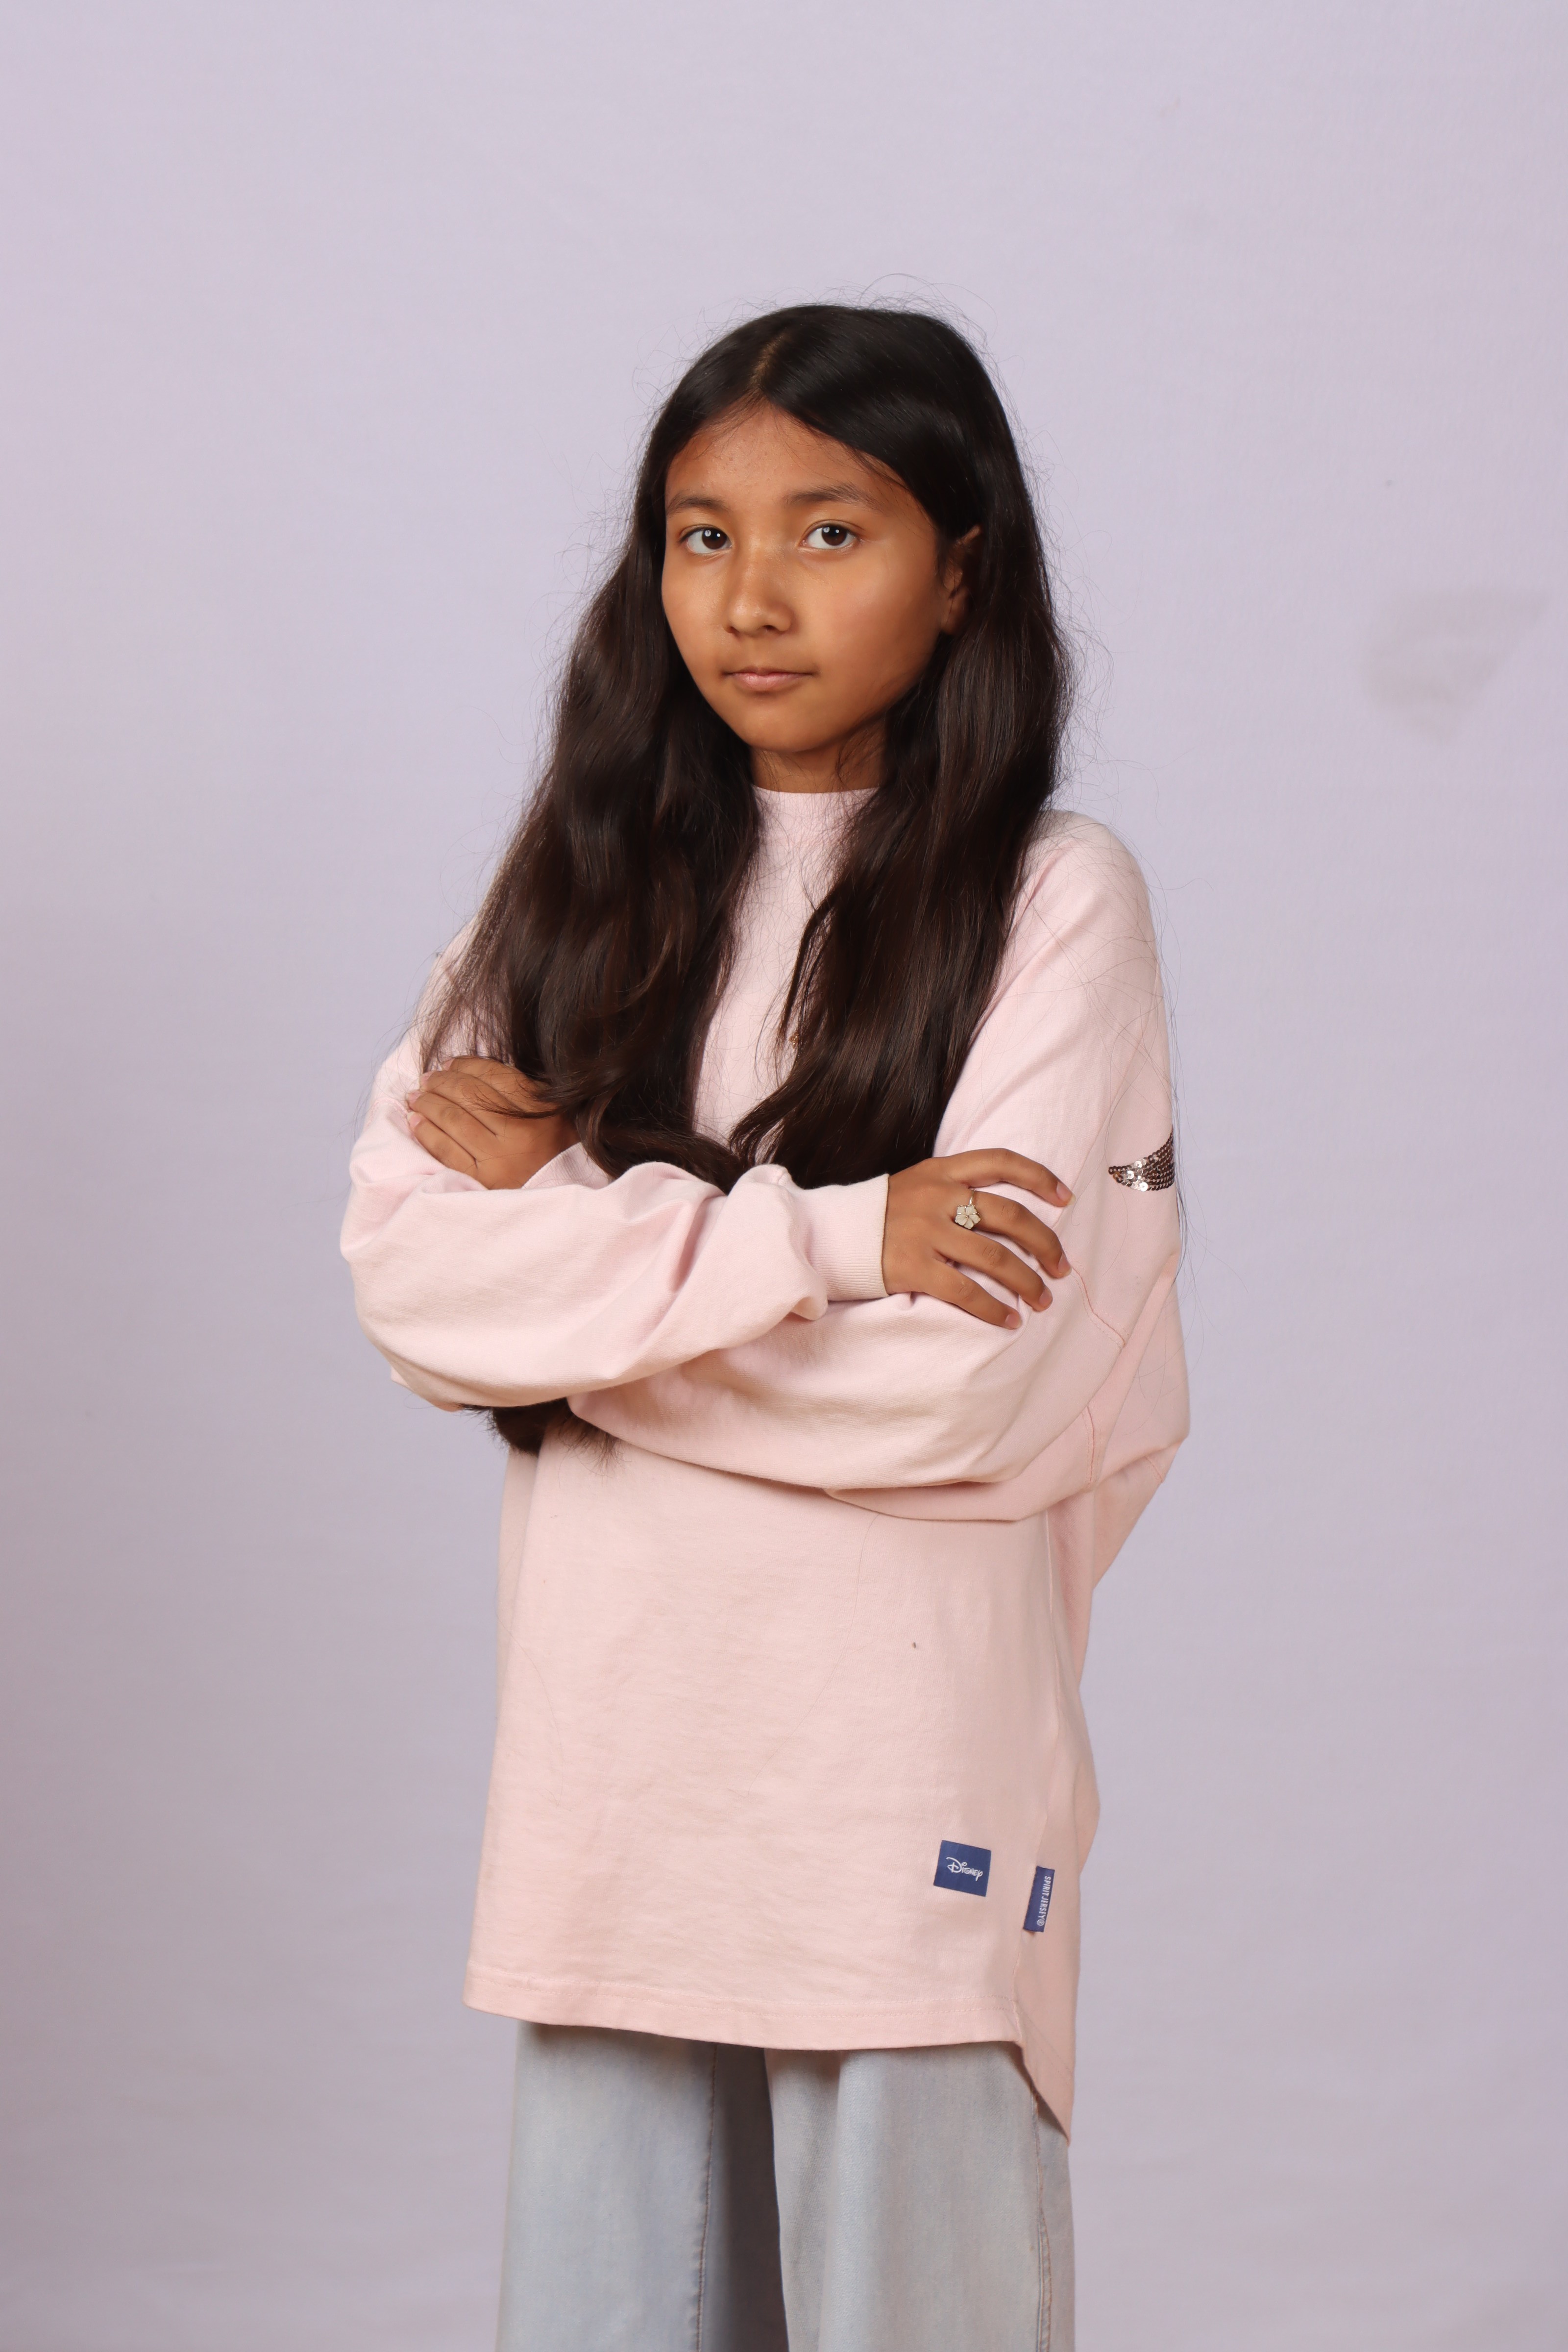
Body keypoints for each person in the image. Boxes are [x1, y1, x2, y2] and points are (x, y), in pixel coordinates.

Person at [342, 303, 1187, 2352]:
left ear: (958, 570)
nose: (750, 596)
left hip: (898, 1783)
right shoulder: (576, 897)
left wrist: (577, 1296)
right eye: (701, 535)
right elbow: (414, 1284)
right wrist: (837, 1239)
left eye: (830, 531)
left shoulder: (1049, 899)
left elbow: (971, 1384)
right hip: (617, 1781)